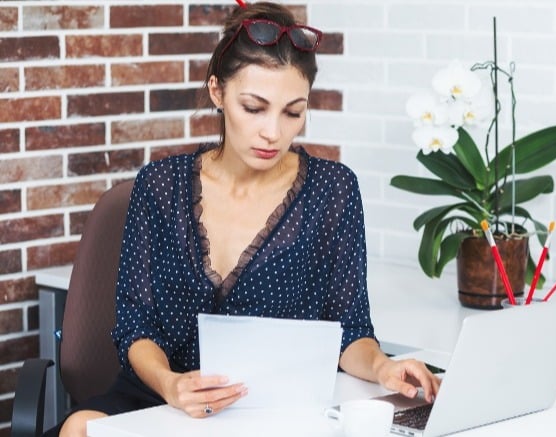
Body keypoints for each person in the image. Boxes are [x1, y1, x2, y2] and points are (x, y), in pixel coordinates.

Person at [50, 2, 440, 436]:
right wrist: (173, 384)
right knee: (80, 428)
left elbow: (349, 331)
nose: (273, 131)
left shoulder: (333, 191)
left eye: (293, 112)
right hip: (162, 399)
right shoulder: (159, 186)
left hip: (273, 412)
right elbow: (135, 326)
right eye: (254, 107)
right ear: (218, 92)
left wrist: (384, 368)